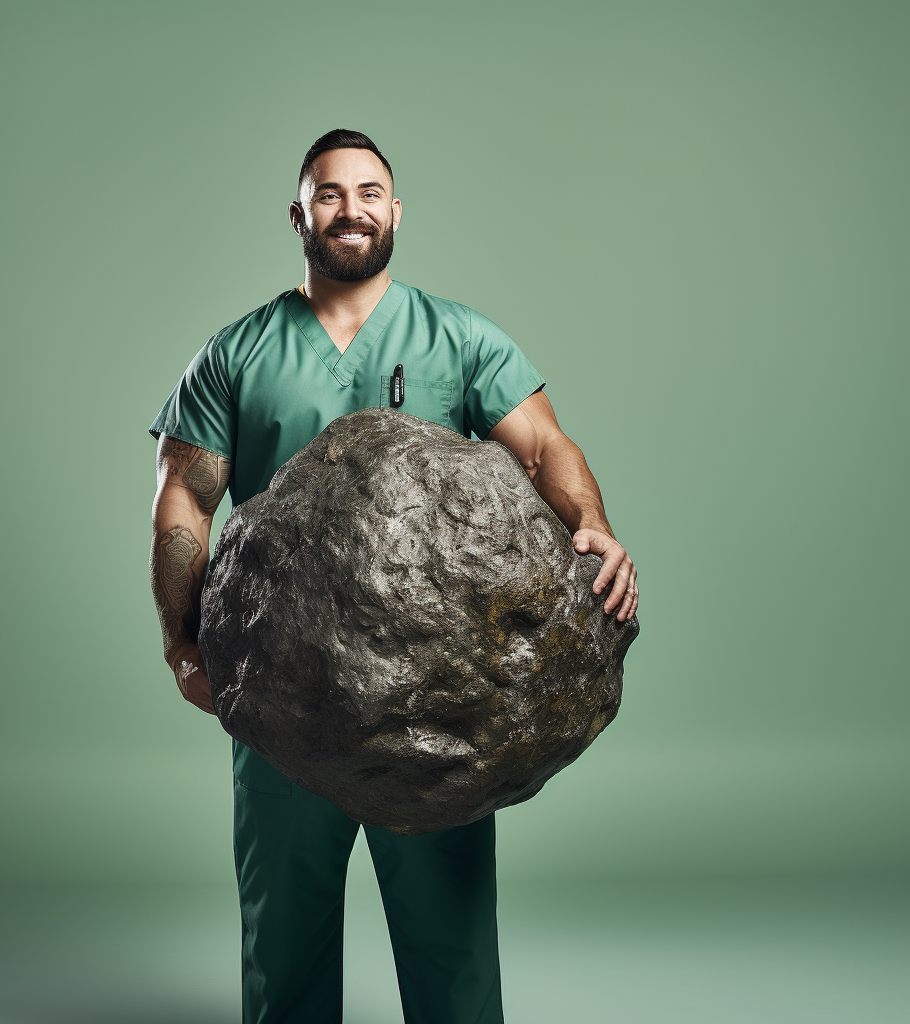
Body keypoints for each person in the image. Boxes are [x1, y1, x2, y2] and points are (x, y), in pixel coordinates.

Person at [148, 128, 638, 1024]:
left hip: (437, 702)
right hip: (282, 700)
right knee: (284, 945)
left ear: (396, 211)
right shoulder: (236, 354)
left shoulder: (459, 337)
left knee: (450, 949)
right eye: (329, 194)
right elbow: (184, 501)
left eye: (369, 192)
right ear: (299, 214)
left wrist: (593, 525)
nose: (351, 209)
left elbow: (544, 446)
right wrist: (182, 645)